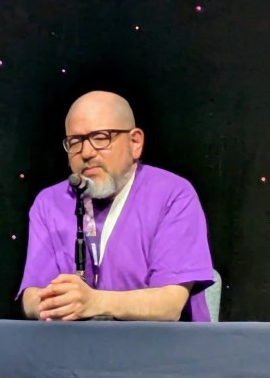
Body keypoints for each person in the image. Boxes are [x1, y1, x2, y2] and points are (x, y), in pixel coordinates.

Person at [18, 91, 214, 321]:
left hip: (160, 351)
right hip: (75, 351)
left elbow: (169, 305)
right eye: (75, 142)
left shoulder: (173, 195)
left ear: (135, 143)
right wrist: (54, 303)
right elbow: (31, 297)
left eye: (101, 138)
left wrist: (94, 302)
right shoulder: (50, 203)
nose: (87, 153)